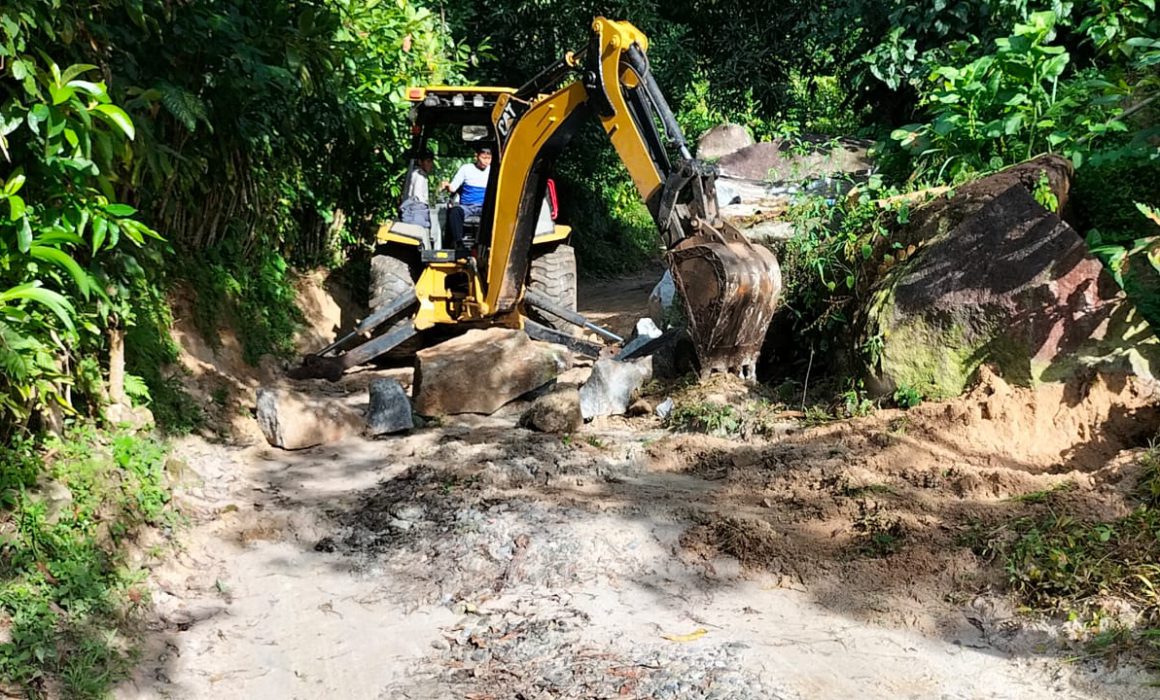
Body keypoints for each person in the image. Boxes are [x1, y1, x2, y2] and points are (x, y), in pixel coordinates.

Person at [441, 145, 492, 249]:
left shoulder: (493, 171)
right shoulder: (466, 169)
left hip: (484, 207)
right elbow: (453, 187)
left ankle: (488, 244)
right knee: (454, 211)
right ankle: (458, 243)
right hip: (467, 207)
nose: (486, 162)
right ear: (476, 156)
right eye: (483, 158)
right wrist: (447, 185)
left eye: (489, 159)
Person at [399, 149, 435, 228]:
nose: (431, 164)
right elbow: (417, 197)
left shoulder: (419, 174)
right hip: (417, 210)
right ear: (420, 162)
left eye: (431, 162)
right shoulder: (419, 176)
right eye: (428, 161)